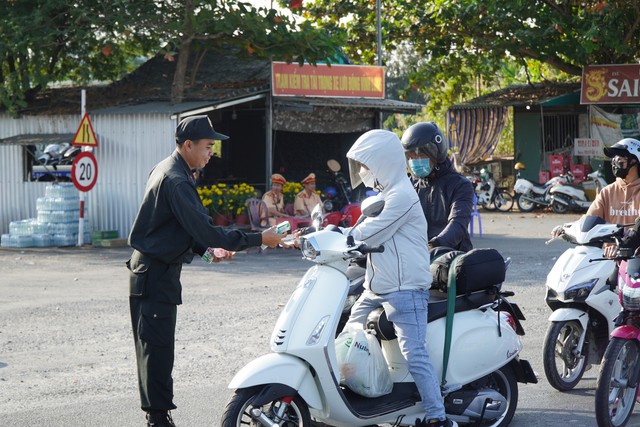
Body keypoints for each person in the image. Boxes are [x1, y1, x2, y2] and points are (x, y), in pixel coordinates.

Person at [127, 115, 284, 427]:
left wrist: (206, 252)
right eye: (208, 146)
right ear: (188, 145)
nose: (212, 152)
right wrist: (259, 238)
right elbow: (208, 230)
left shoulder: (171, 170)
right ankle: (158, 420)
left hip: (155, 273)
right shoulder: (176, 179)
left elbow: (177, 228)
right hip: (155, 275)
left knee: (157, 350)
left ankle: (158, 416)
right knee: (156, 353)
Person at [343, 129, 457, 427]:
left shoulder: (403, 196)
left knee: (413, 351)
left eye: (367, 165)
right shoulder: (385, 195)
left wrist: (343, 237)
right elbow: (361, 226)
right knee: (347, 331)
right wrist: (327, 236)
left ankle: (437, 415)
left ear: (383, 163)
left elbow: (373, 231)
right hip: (378, 286)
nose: (364, 172)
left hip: (405, 289)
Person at [551, 137, 640, 258]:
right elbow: (589, 219)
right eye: (614, 158)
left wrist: (624, 246)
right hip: (606, 257)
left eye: (620, 157)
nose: (615, 161)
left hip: (634, 258)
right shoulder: (607, 192)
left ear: (634, 161)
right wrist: (566, 228)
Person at [401, 122, 474, 252]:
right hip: (416, 255)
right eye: (411, 156)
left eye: (420, 155)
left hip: (451, 257)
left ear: (436, 152)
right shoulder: (409, 185)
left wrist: (434, 244)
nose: (415, 160)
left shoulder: (460, 185)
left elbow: (458, 224)